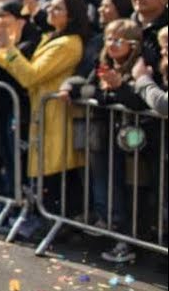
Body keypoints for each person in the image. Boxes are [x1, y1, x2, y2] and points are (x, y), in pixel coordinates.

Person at [0, 0, 89, 227]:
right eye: (51, 7)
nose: (51, 11)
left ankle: (58, 224)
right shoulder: (51, 37)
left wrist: (8, 49)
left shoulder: (69, 43)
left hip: (56, 115)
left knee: (55, 174)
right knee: (43, 173)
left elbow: (31, 76)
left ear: (71, 16)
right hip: (42, 113)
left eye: (58, 9)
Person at [62, 18, 147, 264]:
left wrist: (119, 87)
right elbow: (87, 87)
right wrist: (69, 87)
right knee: (105, 182)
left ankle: (127, 240)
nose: (111, 44)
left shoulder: (141, 66)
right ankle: (111, 228)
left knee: (130, 189)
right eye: (109, 38)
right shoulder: (103, 64)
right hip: (104, 136)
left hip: (132, 142)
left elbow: (140, 102)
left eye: (118, 39)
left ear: (133, 43)